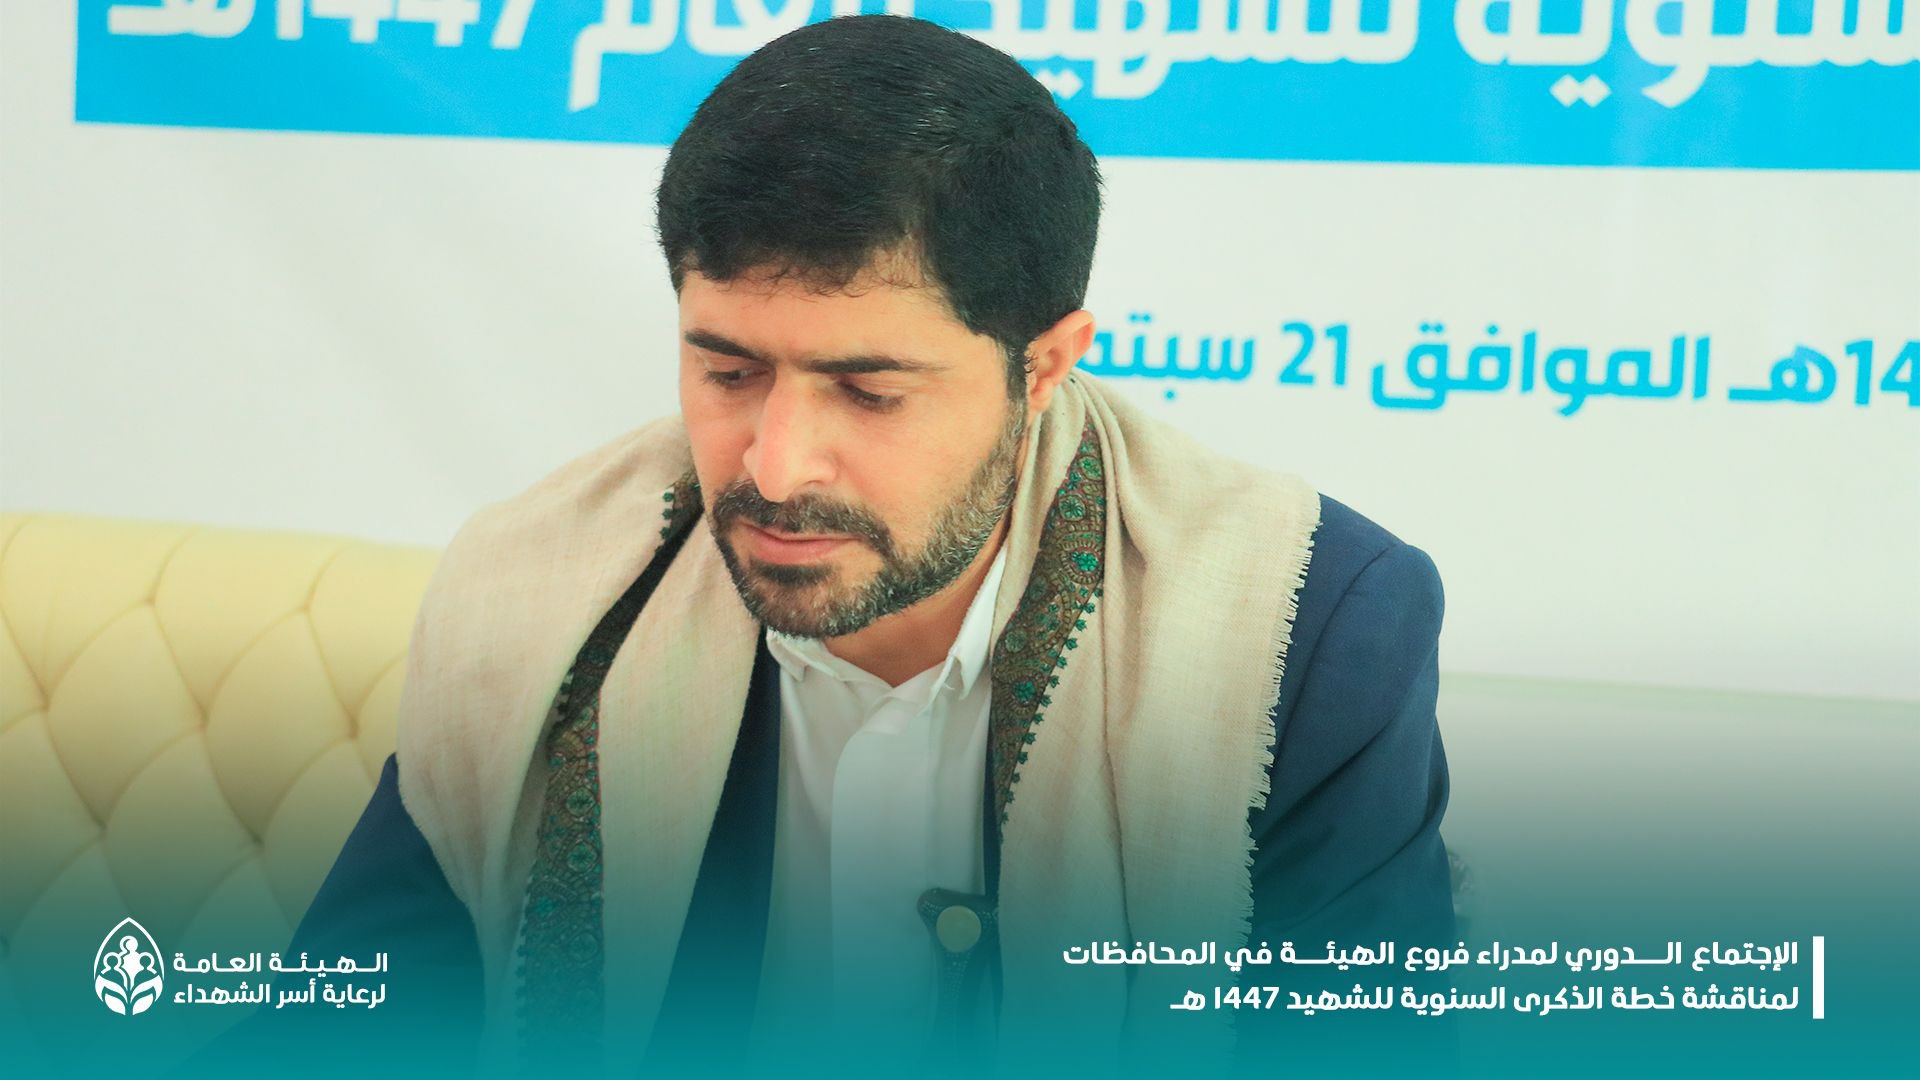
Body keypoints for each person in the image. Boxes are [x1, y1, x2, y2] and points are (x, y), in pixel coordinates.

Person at [227, 14, 1455, 1077]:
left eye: (868, 392)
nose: (774, 467)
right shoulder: (540, 597)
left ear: (1045, 367)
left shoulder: (1303, 632)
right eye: (728, 372)